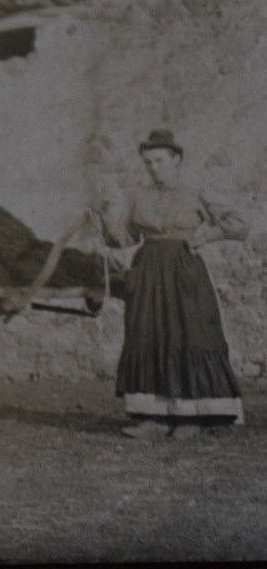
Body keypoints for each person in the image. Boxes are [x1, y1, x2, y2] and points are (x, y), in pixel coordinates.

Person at [98, 129, 247, 440]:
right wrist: (108, 222)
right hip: (147, 270)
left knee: (190, 333)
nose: (154, 168)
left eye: (160, 161)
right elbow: (125, 239)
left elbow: (238, 225)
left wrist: (207, 235)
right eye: (149, 162)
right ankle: (152, 418)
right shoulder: (138, 195)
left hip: (183, 270)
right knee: (148, 335)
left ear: (176, 160)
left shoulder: (196, 192)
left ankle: (191, 418)